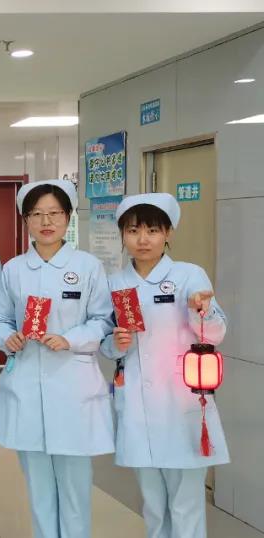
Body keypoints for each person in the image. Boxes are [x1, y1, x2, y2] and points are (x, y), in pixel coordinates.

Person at [101, 193, 228, 538]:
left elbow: (216, 333)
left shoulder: (189, 275)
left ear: (168, 233)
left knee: (186, 505)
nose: (142, 240)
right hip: (137, 406)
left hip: (181, 403)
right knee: (153, 506)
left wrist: (201, 311)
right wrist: (115, 343)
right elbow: (106, 343)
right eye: (133, 231)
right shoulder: (115, 283)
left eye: (153, 231)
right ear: (122, 235)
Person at [0, 179, 115, 538]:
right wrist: (7, 337)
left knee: (75, 490)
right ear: (26, 220)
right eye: (37, 214)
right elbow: (2, 319)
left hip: (73, 386)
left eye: (54, 213)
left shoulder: (88, 266)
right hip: (27, 384)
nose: (46, 222)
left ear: (68, 217)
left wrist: (69, 339)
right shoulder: (14, 269)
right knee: (39, 489)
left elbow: (102, 320)